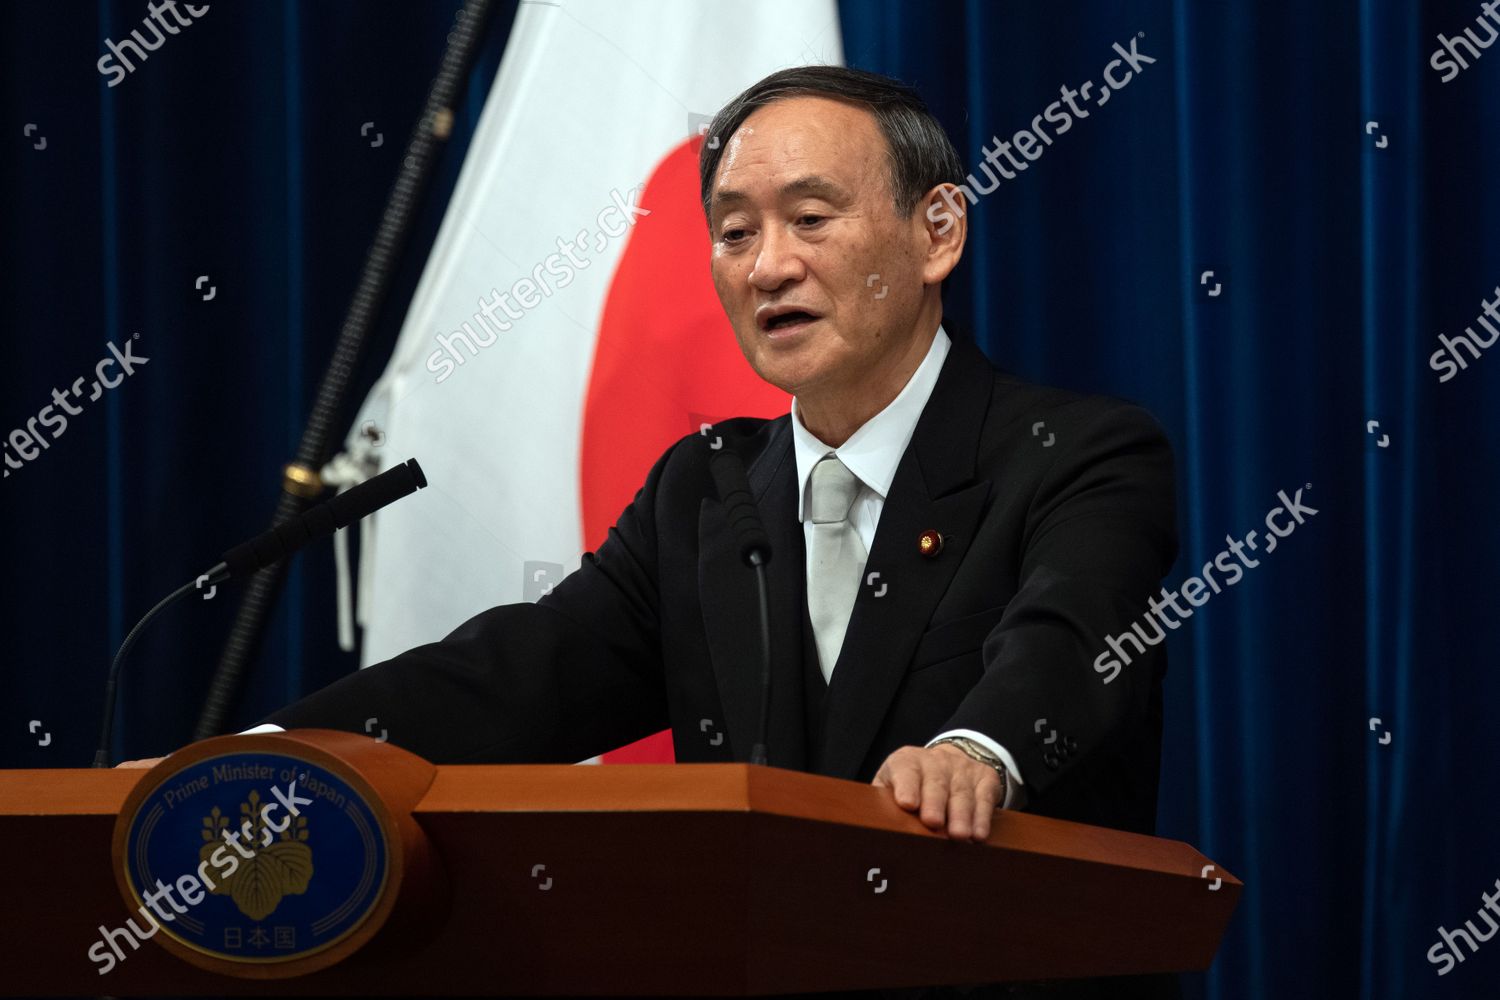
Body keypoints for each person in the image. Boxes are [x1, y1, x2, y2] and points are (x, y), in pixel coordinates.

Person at [122, 66, 1179, 999]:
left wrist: (974, 747)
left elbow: (1069, 638)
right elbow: (515, 675)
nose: (767, 267)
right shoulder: (705, 489)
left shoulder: (1078, 453)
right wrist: (257, 760)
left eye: (810, 219)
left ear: (937, 230)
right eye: (734, 231)